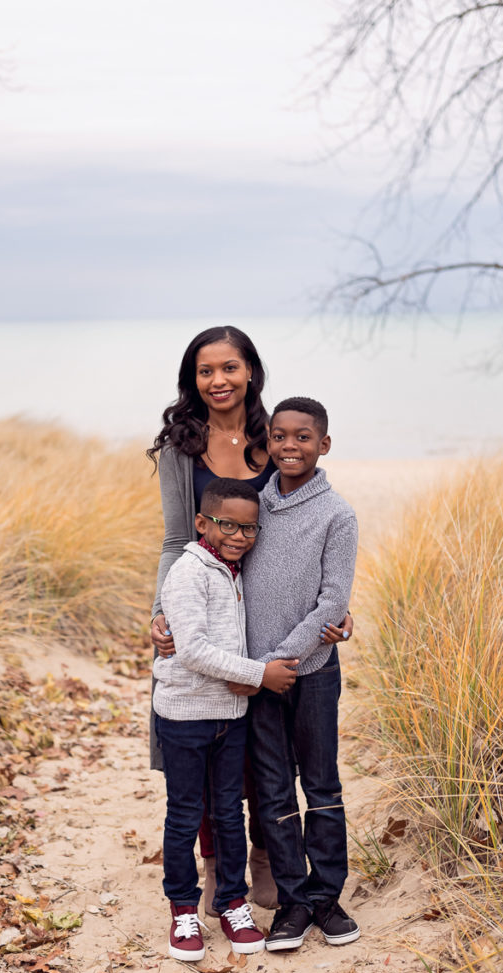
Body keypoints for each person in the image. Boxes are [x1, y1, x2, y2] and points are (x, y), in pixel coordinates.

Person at [147, 325, 353, 913]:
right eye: (206, 370)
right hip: (205, 614)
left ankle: (264, 854)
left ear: (251, 373)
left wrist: (334, 608)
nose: (219, 381)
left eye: (230, 368)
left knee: (262, 748)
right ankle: (218, 864)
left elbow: (303, 527)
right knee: (205, 736)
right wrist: (161, 612)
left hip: (268, 619)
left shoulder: (278, 438)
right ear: (193, 378)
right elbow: (173, 540)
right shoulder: (178, 451)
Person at [153, 477, 299, 961]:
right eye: (227, 525)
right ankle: (183, 911)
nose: (238, 536)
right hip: (186, 717)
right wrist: (260, 675)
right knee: (185, 815)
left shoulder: (233, 570)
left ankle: (232, 902)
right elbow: (191, 650)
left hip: (230, 717)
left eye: (249, 529)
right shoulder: (188, 572)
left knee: (228, 814)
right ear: (202, 523)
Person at [239, 396, 361, 950]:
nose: (290, 446)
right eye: (280, 437)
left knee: (321, 782)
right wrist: (262, 669)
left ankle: (325, 897)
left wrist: (283, 659)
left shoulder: (337, 514)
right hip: (259, 679)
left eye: (303, 437)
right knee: (272, 789)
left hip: (310, 673)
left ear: (324, 444)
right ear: (267, 443)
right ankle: (291, 900)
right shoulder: (252, 509)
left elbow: (333, 600)